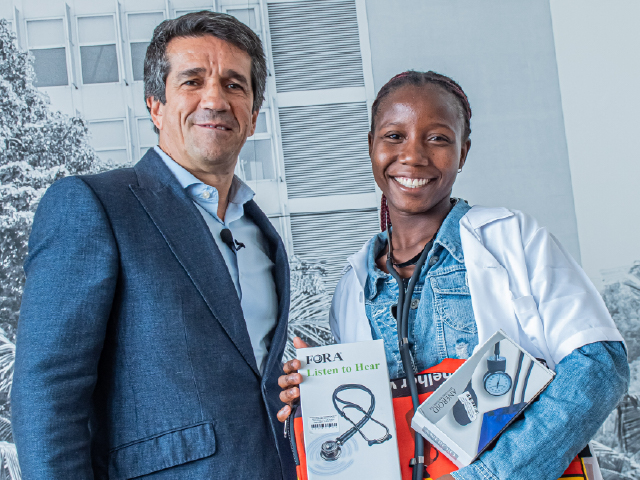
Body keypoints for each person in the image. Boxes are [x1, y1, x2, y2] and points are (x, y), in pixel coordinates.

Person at [278, 71, 629, 480]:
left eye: (438, 138)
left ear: (463, 153)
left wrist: (486, 476)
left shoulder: (512, 238)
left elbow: (599, 366)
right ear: (371, 145)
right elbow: (369, 428)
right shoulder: (354, 284)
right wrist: (316, 396)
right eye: (394, 136)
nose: (413, 155)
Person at [12, 12, 295, 479]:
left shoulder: (261, 234)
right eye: (192, 81)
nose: (215, 100)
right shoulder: (94, 206)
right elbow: (47, 393)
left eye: (234, 85)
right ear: (156, 106)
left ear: (253, 115)